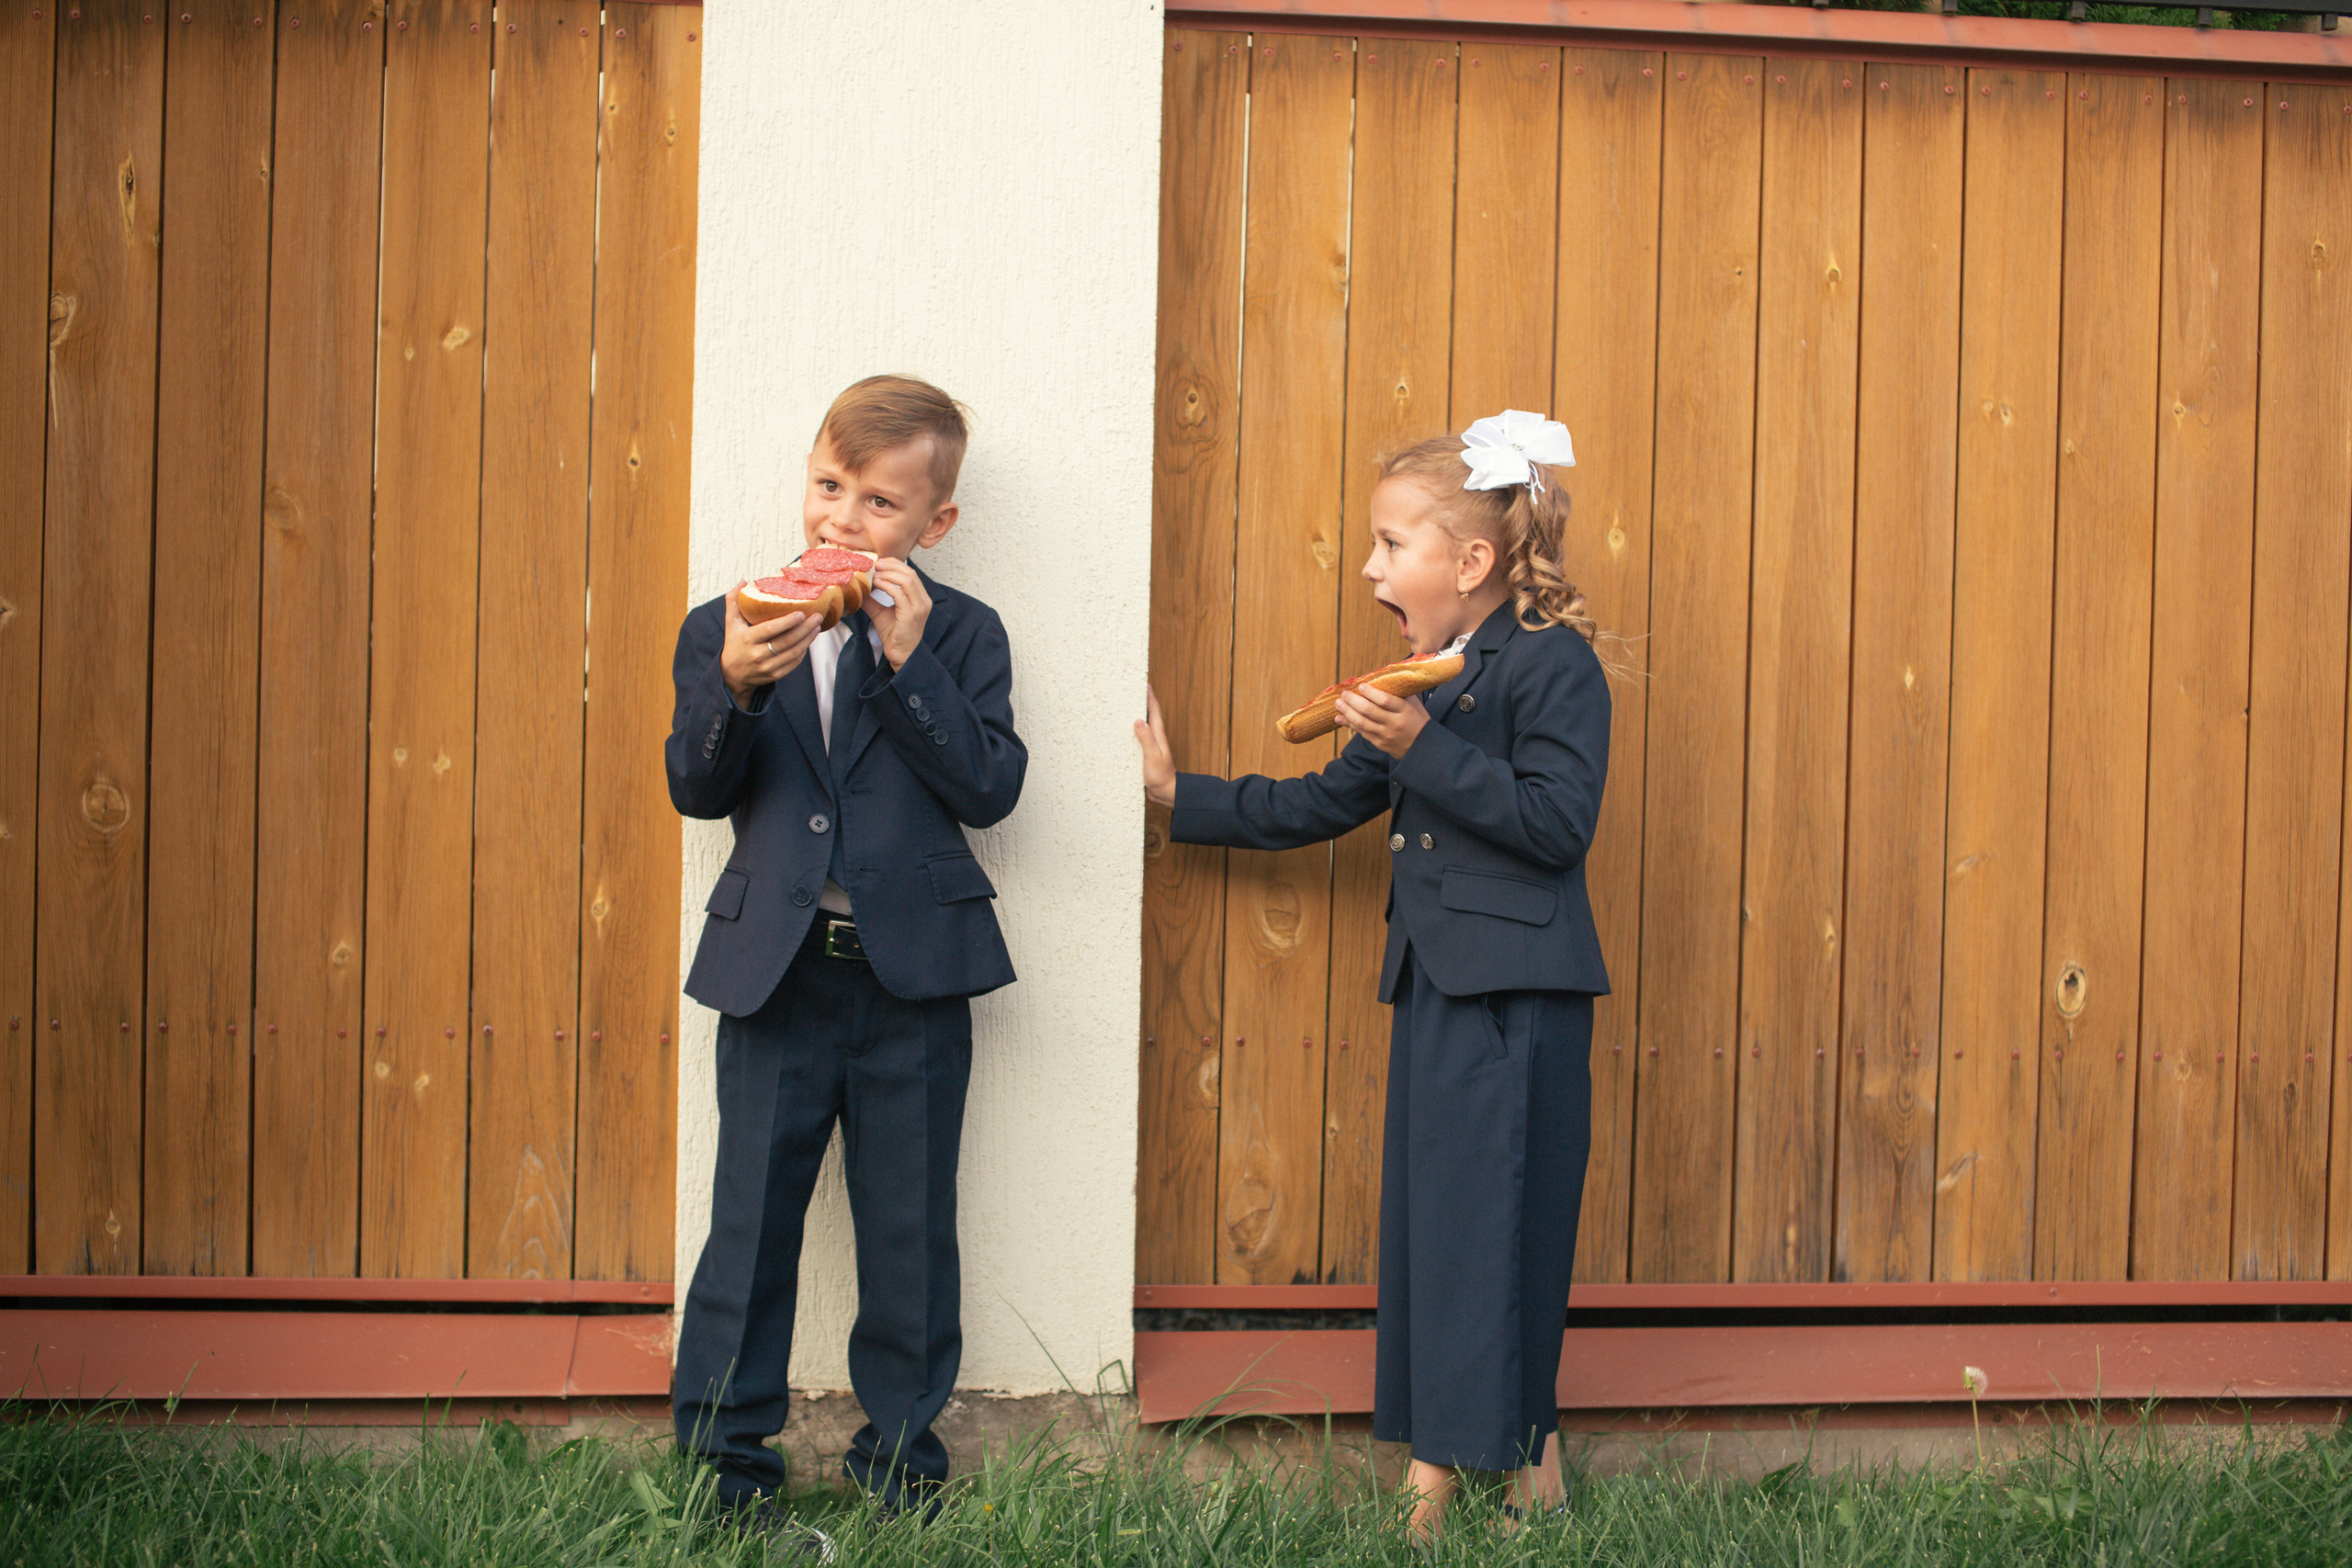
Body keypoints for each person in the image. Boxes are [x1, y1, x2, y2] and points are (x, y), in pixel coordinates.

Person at [1135, 412, 1609, 1541]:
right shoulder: (1424, 678)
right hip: (1440, 987)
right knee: (1441, 1237)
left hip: (1518, 997)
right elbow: (1316, 801)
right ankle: (1496, 1479)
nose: (1368, 568)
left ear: (1471, 561)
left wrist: (1420, 749)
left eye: (1391, 545)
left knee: (1499, 1233)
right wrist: (1175, 797)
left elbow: (1558, 825)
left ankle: (1459, 1493)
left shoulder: (1552, 663)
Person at [668, 375, 1025, 1534]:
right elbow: (695, 787)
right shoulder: (726, 622)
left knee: (911, 1236)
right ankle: (722, 1477)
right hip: (775, 975)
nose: (843, 519)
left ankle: (901, 1476)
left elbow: (991, 788)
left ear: (934, 523)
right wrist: (736, 682)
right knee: (748, 1231)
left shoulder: (964, 634)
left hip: (911, 978)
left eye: (879, 503)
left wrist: (911, 664)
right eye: (830, 486)